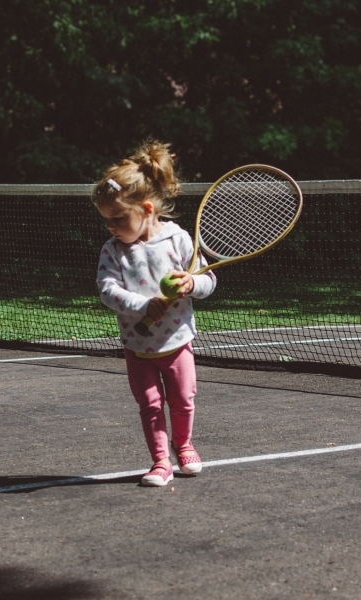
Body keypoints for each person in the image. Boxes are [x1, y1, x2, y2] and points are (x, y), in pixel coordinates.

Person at [92, 140, 216, 487]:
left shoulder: (178, 240)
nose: (111, 227)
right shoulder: (113, 251)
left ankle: (184, 445)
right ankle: (160, 461)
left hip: (177, 341)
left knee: (184, 400)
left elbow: (208, 281)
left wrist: (192, 283)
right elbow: (107, 291)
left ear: (146, 209)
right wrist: (143, 306)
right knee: (150, 404)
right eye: (106, 220)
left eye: (118, 218)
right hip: (137, 345)